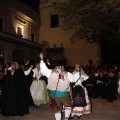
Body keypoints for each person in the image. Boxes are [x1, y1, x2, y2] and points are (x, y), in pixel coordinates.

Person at [39, 53, 73, 120]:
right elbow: (43, 69)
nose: (59, 68)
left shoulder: (66, 74)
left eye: (61, 66)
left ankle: (66, 118)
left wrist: (42, 60)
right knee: (61, 108)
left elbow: (73, 78)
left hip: (60, 94)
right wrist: (42, 60)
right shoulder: (51, 72)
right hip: (58, 95)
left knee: (65, 107)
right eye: (58, 66)